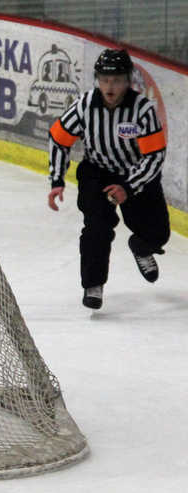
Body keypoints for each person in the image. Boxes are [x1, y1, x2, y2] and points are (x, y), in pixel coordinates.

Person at [47, 48, 170, 309]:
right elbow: (59, 139)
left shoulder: (143, 111)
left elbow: (155, 156)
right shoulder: (84, 105)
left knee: (158, 232)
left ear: (127, 81)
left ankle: (142, 246)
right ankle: (93, 284)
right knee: (96, 227)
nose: (109, 86)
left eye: (115, 80)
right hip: (98, 173)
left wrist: (128, 186)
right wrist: (57, 178)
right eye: (104, 79)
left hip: (135, 173)